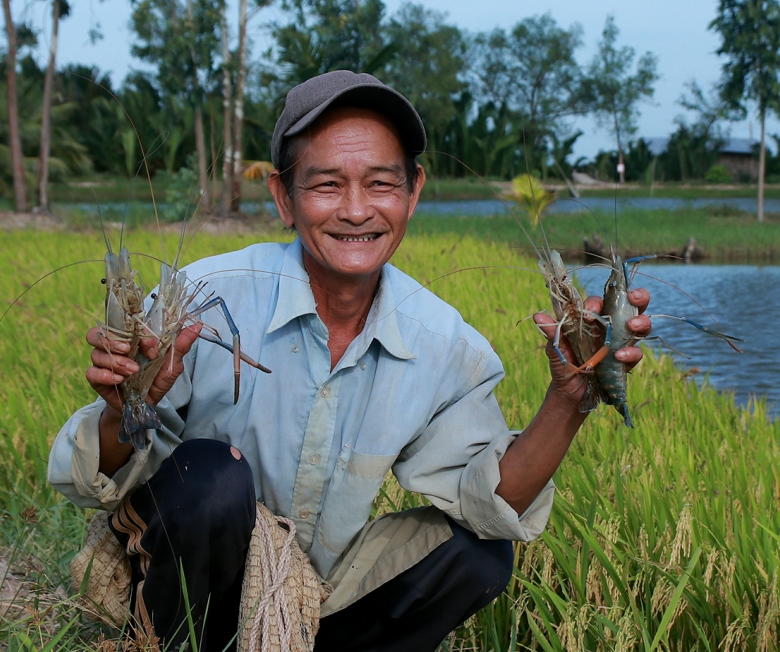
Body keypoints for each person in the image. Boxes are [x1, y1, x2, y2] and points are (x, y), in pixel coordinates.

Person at [48, 70, 651, 651]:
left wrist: (571, 398)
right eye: (327, 184)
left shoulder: (443, 344)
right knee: (213, 475)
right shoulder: (203, 298)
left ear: (413, 193)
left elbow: (493, 502)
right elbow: (92, 482)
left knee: (479, 553)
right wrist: (123, 408)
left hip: (314, 604)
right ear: (284, 197)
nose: (357, 210)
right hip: (184, 587)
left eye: (381, 184)